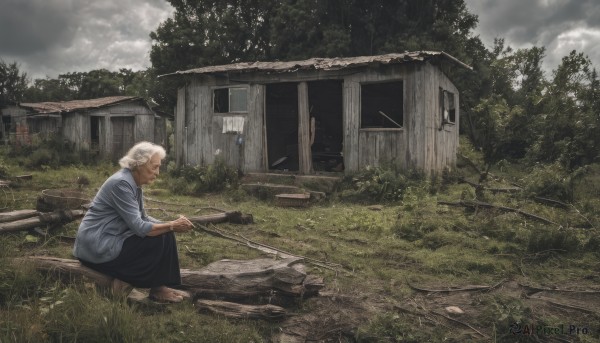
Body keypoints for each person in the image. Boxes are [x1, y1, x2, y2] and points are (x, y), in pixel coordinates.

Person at [73, 141, 194, 303]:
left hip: (111, 239)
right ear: (139, 164)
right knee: (158, 237)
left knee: (165, 233)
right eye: (154, 167)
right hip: (96, 245)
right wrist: (172, 225)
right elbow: (140, 227)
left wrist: (171, 224)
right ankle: (130, 282)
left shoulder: (134, 184)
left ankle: (159, 287)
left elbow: (142, 217)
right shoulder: (121, 183)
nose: (157, 173)